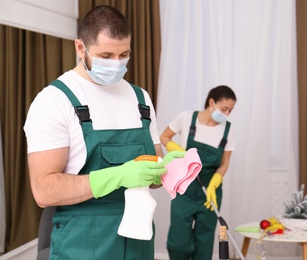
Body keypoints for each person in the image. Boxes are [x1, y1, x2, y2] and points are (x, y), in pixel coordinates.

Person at [23, 6, 184, 259]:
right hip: (83, 242)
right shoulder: (54, 101)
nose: (116, 63)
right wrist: (119, 175)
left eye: (124, 54)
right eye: (106, 55)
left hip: (138, 240)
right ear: (80, 48)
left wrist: (168, 168)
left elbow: (152, 180)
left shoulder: (140, 98)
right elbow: (44, 191)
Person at [160, 85, 237, 260]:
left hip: (210, 194)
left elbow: (224, 163)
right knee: (179, 243)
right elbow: (164, 137)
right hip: (184, 189)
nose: (227, 114)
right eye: (224, 109)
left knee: (204, 242)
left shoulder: (228, 129)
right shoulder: (187, 118)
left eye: (230, 111)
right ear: (212, 102)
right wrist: (177, 149)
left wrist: (215, 182)